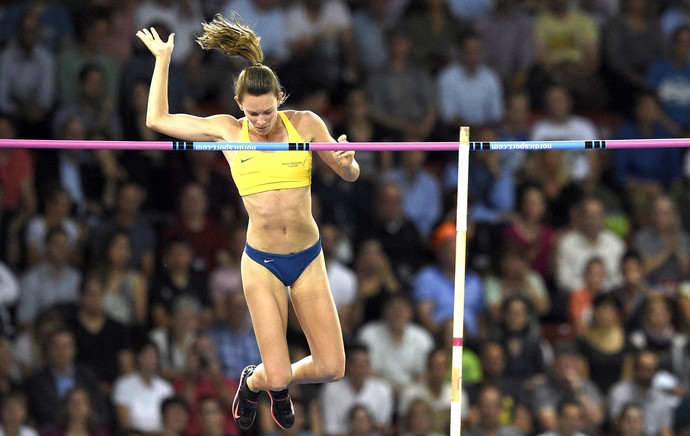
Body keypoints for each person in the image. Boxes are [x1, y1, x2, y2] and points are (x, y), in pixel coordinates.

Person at [136, 13, 359, 431]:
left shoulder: (306, 124)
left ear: (280, 98)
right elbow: (157, 121)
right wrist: (163, 60)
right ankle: (260, 379)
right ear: (240, 106)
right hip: (261, 262)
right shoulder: (228, 131)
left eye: (268, 111)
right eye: (253, 113)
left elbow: (349, 173)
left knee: (332, 367)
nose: (261, 121)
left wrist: (348, 164)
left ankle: (257, 379)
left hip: (308, 256)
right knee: (277, 377)